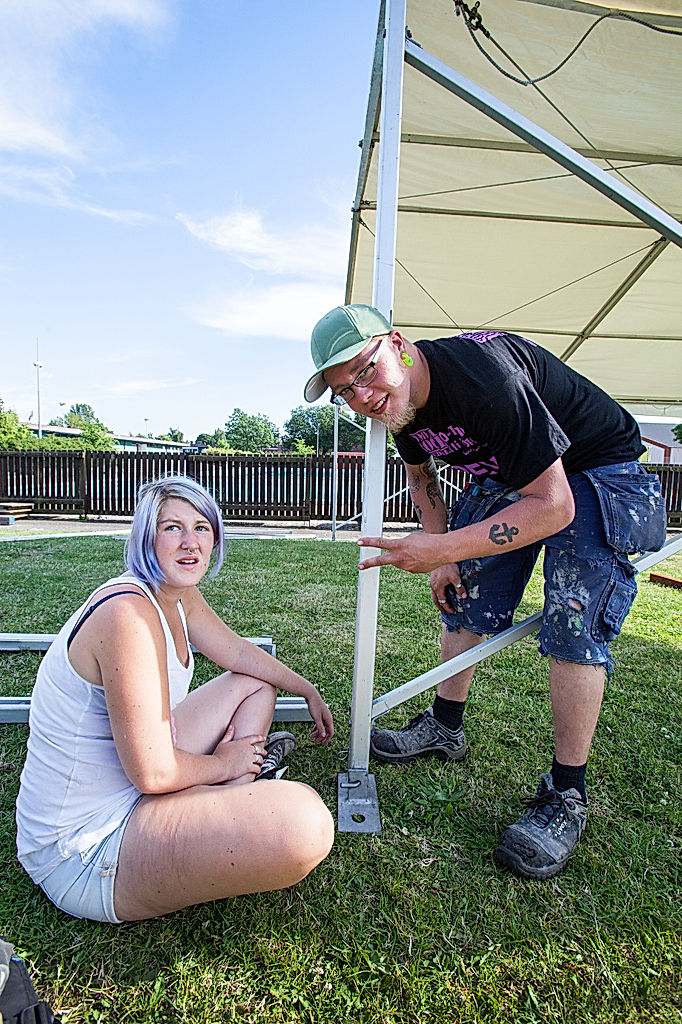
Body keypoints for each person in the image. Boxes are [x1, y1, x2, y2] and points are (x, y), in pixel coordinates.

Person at [304, 303, 666, 880]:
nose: (362, 398)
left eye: (366, 371)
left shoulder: (482, 379)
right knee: (466, 597)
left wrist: (441, 551)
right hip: (514, 479)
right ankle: (445, 726)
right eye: (344, 391)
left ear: (397, 344)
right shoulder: (401, 410)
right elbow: (421, 476)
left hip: (597, 471)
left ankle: (566, 794)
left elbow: (554, 506)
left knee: (572, 620)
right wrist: (439, 547)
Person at [16, 475, 335, 922]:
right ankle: (233, 787)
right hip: (84, 846)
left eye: (202, 527)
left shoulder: (177, 595)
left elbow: (239, 653)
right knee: (305, 825)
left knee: (255, 682)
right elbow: (154, 771)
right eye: (172, 528)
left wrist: (305, 687)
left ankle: (225, 797)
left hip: (135, 778)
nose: (190, 542)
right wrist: (229, 760)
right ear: (146, 536)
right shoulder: (127, 615)